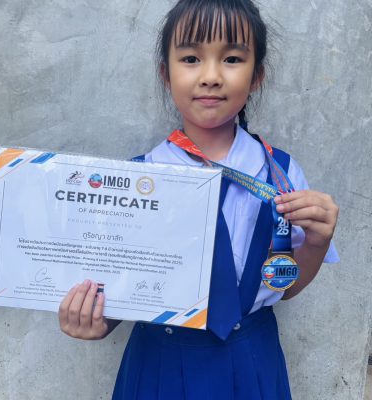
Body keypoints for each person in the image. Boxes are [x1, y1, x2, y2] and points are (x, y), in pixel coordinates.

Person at [58, 0, 339, 398]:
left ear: (256, 76)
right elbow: (123, 288)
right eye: (190, 58)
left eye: (232, 59)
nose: (210, 77)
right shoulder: (134, 183)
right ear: (166, 74)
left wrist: (317, 242)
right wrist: (94, 321)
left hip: (253, 358)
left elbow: (286, 285)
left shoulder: (282, 175)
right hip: (159, 362)